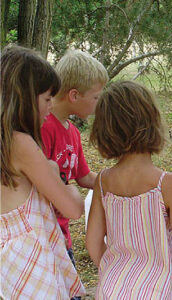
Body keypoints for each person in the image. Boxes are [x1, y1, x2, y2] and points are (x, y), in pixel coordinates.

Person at [86, 81, 172, 300]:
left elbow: (92, 242)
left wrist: (114, 272)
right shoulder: (171, 185)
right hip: (158, 291)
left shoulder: (102, 182)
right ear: (152, 122)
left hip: (109, 291)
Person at [0, 45, 85, 299]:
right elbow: (72, 208)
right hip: (32, 265)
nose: (50, 108)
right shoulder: (21, 145)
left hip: (11, 266)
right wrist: (67, 183)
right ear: (25, 97)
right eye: (47, 99)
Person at [41, 50, 108, 282]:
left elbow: (83, 177)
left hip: (63, 233)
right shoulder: (45, 128)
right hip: (43, 235)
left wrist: (117, 181)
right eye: (96, 97)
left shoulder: (73, 133)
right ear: (74, 95)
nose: (97, 104)